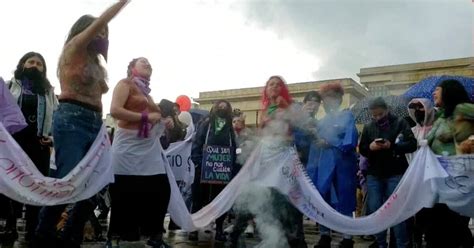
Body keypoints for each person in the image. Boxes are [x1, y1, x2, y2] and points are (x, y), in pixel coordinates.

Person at [35, 1, 130, 247]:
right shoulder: (73, 48)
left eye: (104, 34)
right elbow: (101, 21)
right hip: (71, 119)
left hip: (95, 124)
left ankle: (70, 235)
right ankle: (43, 234)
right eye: (98, 31)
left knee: (97, 183)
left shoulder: (96, 63)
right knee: (68, 180)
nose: (101, 35)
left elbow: (101, 90)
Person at [107, 57, 172, 248]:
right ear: (132, 68)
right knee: (123, 192)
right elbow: (115, 110)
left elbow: (154, 116)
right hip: (128, 145)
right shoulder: (125, 84)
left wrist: (163, 121)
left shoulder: (148, 94)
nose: (148, 64)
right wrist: (146, 116)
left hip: (147, 147)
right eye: (143, 62)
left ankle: (154, 235)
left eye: (150, 63)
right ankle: (114, 236)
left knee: (160, 189)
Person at [230, 75, 301, 248]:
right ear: (266, 89)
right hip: (265, 159)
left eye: (278, 84)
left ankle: (295, 241)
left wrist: (285, 110)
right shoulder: (266, 109)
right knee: (254, 194)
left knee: (283, 199)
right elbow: (263, 136)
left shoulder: (288, 106)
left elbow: (295, 129)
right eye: (271, 84)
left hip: (281, 160)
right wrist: (248, 135)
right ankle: (235, 236)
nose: (274, 87)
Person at [1, 52, 58, 245]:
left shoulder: (48, 91)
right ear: (22, 64)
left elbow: (57, 117)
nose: (35, 65)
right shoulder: (9, 86)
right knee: (11, 185)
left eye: (39, 63)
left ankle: (33, 231)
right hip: (13, 144)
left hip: (39, 144)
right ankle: (10, 227)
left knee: (36, 186)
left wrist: (52, 138)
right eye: (31, 62)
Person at [359, 97, 417, 248]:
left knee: (396, 211)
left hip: (395, 172)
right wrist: (370, 147)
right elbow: (363, 148)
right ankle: (380, 244)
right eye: (374, 115)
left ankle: (401, 244)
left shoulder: (400, 123)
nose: (377, 117)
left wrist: (392, 146)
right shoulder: (369, 126)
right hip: (374, 173)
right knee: (376, 210)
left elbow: (412, 144)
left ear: (387, 110)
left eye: (380, 114)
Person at [305, 82, 358, 248]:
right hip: (324, 168)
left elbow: (350, 141)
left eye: (332, 97)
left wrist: (330, 142)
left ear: (339, 99)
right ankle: (324, 236)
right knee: (323, 199)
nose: (328, 101)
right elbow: (315, 148)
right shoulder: (321, 122)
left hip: (343, 167)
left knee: (345, 201)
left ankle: (347, 238)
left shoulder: (347, 116)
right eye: (325, 98)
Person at [424, 79, 473, 248]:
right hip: (438, 182)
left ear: (449, 92)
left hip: (458, 182)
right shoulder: (442, 116)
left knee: (453, 230)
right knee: (434, 230)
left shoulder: (462, 109)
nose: (433, 93)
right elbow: (428, 142)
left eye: (437, 89)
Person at [189, 99, 237, 242]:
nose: (222, 108)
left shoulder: (229, 127)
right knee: (198, 199)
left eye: (225, 107)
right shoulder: (206, 124)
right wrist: (198, 163)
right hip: (204, 169)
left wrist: (231, 165)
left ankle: (220, 228)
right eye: (219, 106)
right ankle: (194, 229)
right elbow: (197, 143)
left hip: (222, 171)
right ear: (214, 108)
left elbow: (233, 147)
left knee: (220, 201)